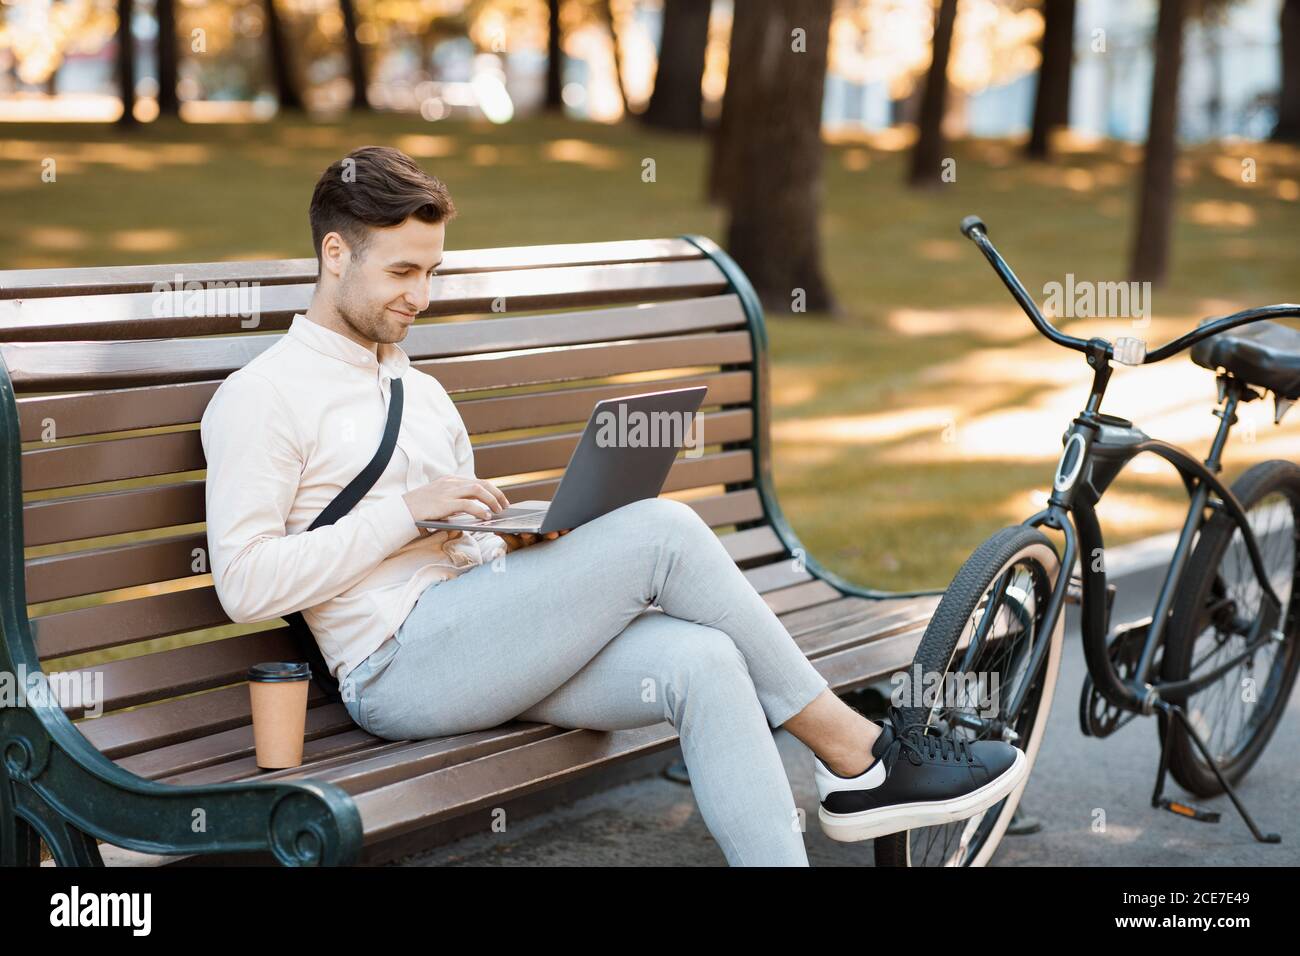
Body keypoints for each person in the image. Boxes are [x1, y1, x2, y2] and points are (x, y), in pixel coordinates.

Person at [201, 145, 1028, 866]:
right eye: (403, 272)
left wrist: (517, 549)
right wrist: (406, 513)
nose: (422, 295)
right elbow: (243, 584)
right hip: (394, 668)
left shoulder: (418, 391)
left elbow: (456, 549)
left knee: (704, 662)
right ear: (335, 254)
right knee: (662, 530)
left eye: (434, 271)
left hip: (480, 637)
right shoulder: (262, 398)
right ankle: (860, 756)